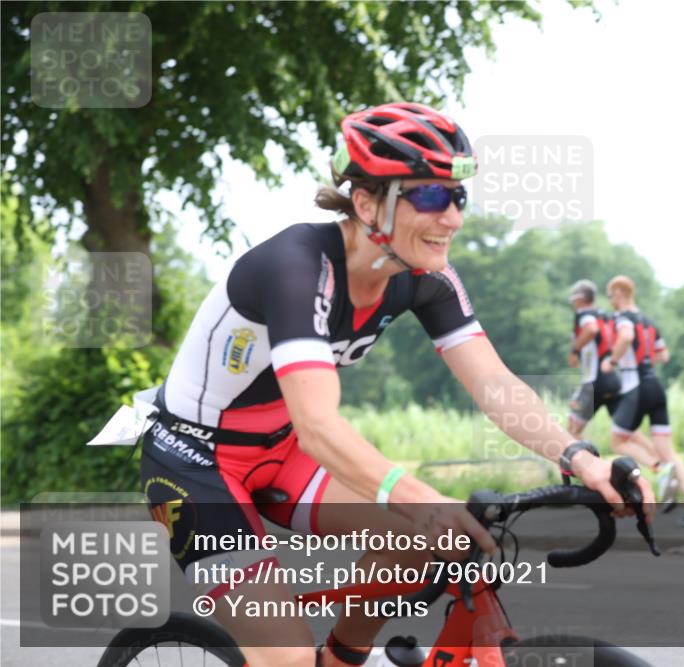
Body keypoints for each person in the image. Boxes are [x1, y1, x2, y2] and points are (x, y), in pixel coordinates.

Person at [140, 102, 654, 667]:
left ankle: (341, 658)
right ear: (366, 204)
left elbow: (494, 385)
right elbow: (318, 425)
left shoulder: (426, 277)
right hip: (197, 466)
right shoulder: (295, 266)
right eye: (431, 197)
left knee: (415, 536)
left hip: (280, 451)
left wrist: (582, 460)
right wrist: (424, 499)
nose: (452, 218)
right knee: (285, 658)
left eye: (458, 198)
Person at [600, 275, 684, 525]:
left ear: (621, 292)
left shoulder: (622, 317)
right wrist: (643, 360)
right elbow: (664, 355)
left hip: (637, 387)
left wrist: (612, 362)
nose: (610, 300)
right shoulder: (648, 321)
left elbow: (625, 338)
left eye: (611, 295)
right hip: (656, 386)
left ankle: (659, 467)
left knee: (618, 440)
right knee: (666, 449)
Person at [566, 279, 676, 504]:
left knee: (572, 430)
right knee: (626, 429)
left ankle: (589, 479)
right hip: (613, 380)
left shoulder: (584, 315)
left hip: (596, 381)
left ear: (578, 300)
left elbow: (591, 329)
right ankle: (660, 464)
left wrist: (575, 349)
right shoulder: (606, 315)